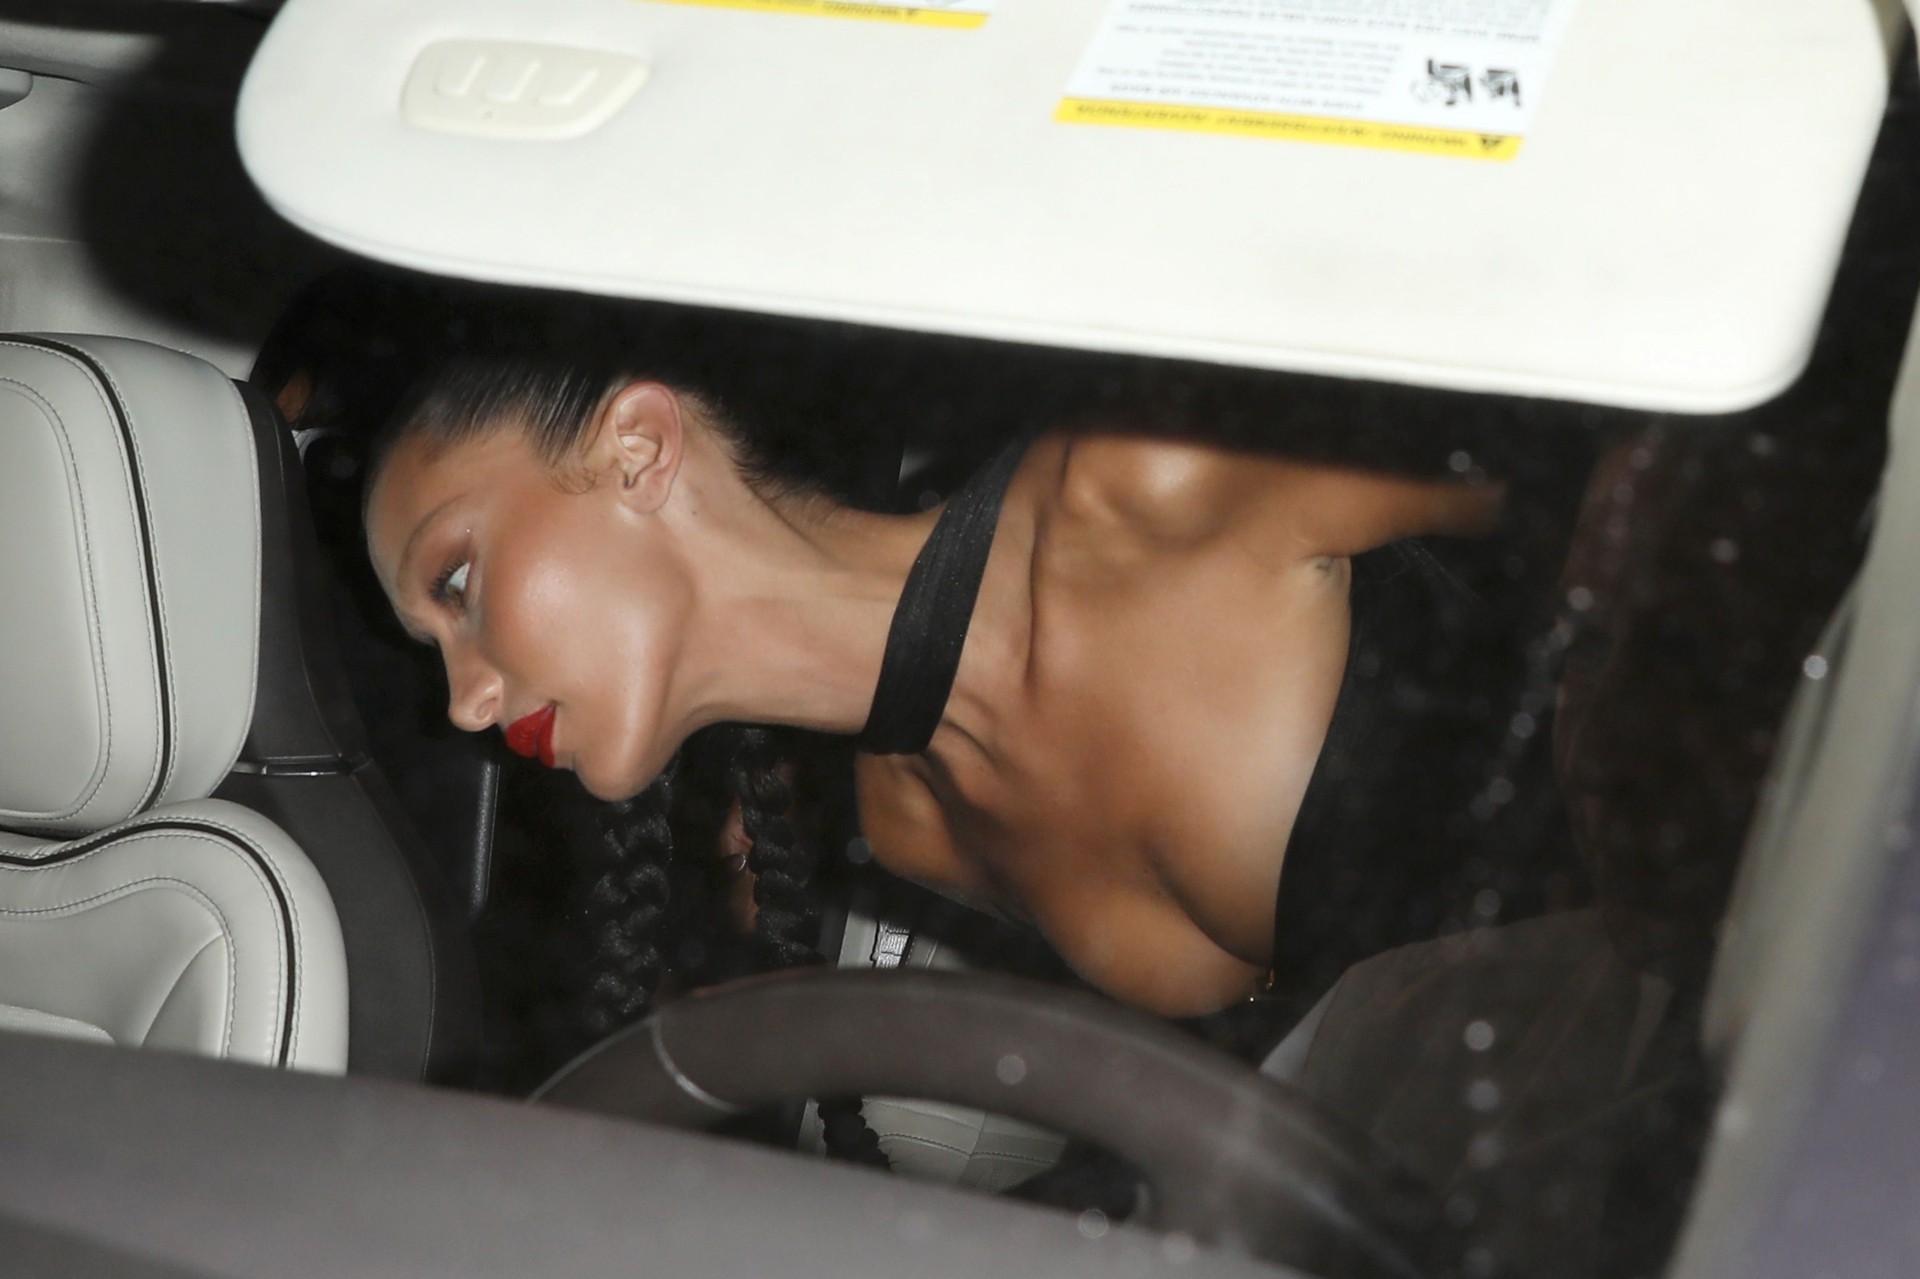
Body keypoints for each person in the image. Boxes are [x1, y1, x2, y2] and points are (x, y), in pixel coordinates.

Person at [362, 314, 1508, 1021]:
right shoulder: (917, 828)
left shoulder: (1148, 482)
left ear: (639, 447)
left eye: (455, 581)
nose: (465, 701)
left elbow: (1600, 471)